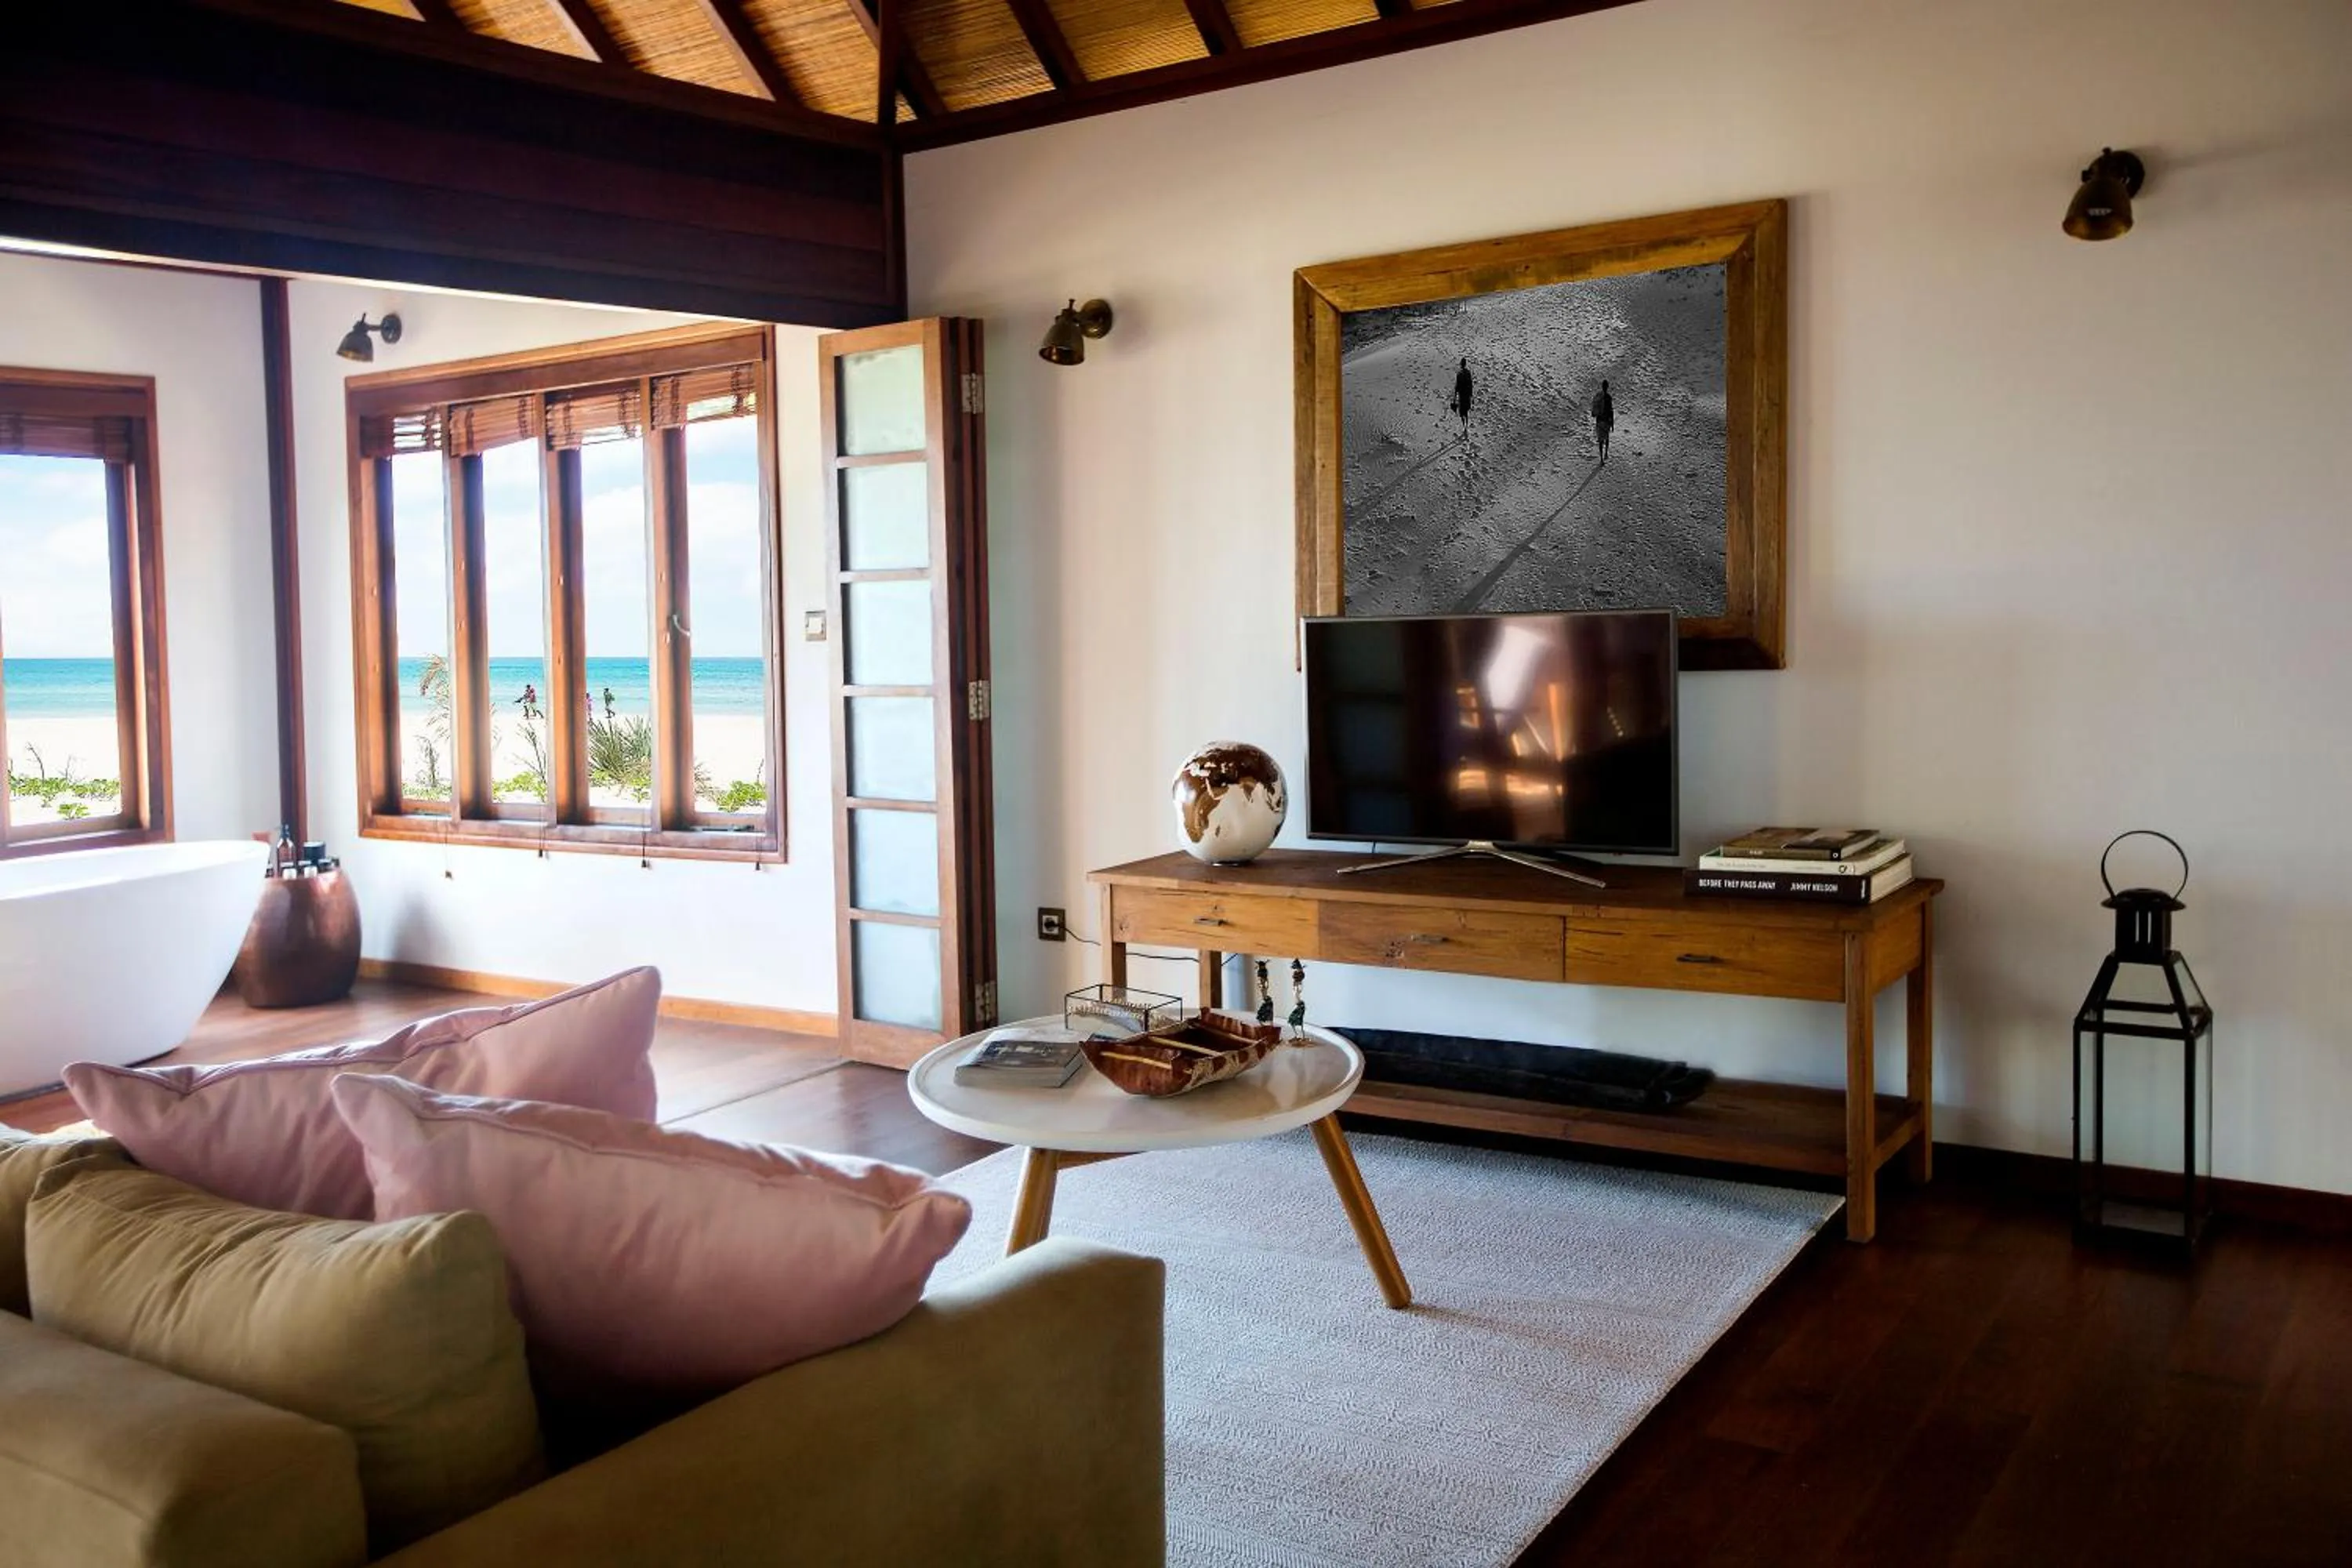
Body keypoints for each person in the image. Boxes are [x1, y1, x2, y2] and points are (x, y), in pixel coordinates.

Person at [1592, 379, 1614, 464]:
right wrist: (1612, 424)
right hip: (1606, 421)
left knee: (1601, 440)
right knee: (1607, 438)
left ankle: (1601, 458)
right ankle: (1606, 454)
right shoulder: (1608, 397)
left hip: (1599, 421)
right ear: (1607, 387)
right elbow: (1611, 411)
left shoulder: (1598, 397)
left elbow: (1594, 413)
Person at [1450, 356, 1473, 437]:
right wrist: (1471, 395)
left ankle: (1464, 426)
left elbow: (1457, 386)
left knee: (1462, 412)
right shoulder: (1468, 373)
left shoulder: (1459, 374)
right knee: (1466, 411)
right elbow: (1471, 385)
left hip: (1462, 395)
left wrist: (1455, 397)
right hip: (1467, 395)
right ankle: (1466, 426)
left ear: (1461, 365)